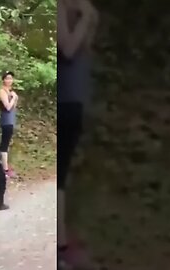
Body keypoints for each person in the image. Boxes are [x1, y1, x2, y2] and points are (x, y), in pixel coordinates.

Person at [57, 0, 98, 269]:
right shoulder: (60, 7)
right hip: (64, 101)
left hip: (74, 100)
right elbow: (68, 49)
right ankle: (60, 247)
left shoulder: (80, 9)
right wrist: (85, 17)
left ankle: (61, 245)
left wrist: (87, 17)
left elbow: (84, 49)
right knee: (59, 175)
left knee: (63, 174)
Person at [0, 71, 18, 178]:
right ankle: (4, 170)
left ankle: (4, 167)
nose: (9, 80)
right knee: (4, 145)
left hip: (11, 120)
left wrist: (14, 97)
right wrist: (14, 97)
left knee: (6, 143)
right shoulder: (2, 92)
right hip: (6, 120)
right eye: (7, 78)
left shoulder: (9, 92)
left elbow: (14, 107)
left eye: (11, 78)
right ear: (3, 80)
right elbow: (8, 107)